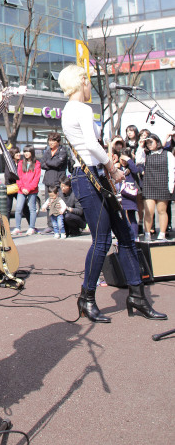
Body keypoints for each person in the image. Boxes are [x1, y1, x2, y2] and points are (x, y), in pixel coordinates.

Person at [58, 64, 166, 323]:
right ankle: (87, 296)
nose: (89, 86)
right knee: (103, 240)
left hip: (90, 176)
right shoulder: (81, 108)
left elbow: (89, 146)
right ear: (82, 81)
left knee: (126, 236)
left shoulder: (69, 110)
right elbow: (92, 146)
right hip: (90, 176)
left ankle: (137, 298)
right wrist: (111, 167)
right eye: (88, 81)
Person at [137, 133, 174, 241]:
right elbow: (138, 161)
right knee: (149, 211)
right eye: (147, 143)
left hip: (162, 184)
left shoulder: (167, 154)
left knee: (162, 210)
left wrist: (170, 186)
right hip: (149, 185)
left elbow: (172, 170)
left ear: (157, 142)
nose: (149, 145)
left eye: (151, 142)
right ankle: (147, 233)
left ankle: (162, 233)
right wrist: (140, 146)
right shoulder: (146, 154)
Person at [40, 132, 69, 229]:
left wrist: (48, 162)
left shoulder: (63, 151)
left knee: (60, 203)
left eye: (53, 140)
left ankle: (62, 226)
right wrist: (50, 163)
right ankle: (50, 225)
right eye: (49, 140)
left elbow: (58, 163)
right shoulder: (47, 151)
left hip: (58, 181)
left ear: (58, 141)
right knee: (49, 203)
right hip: (48, 180)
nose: (51, 142)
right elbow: (41, 163)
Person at [13, 145, 41, 236]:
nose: (26, 153)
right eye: (24, 151)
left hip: (32, 190)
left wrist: (29, 189)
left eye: (28, 151)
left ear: (32, 152)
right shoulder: (21, 163)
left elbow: (36, 179)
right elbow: (18, 177)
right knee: (18, 208)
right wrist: (22, 188)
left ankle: (31, 227)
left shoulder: (37, 163)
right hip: (21, 190)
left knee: (32, 209)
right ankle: (17, 227)